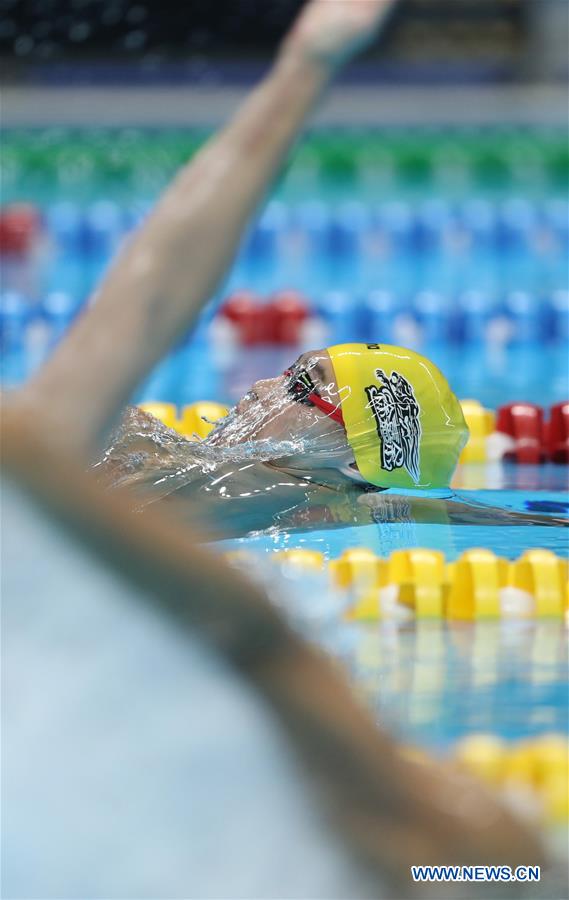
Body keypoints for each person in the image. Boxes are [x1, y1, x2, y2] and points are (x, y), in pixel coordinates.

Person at [13, 0, 566, 540]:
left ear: (352, 463)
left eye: (302, 387)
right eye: (287, 375)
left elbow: (149, 304)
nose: (259, 387)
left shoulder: (272, 491)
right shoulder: (173, 458)